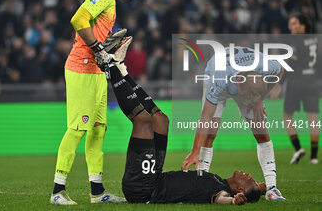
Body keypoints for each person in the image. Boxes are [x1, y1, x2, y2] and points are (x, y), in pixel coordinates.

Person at [94, 40, 266, 205]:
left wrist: (233, 201)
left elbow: (221, 199)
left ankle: (109, 65)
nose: (250, 174)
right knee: (161, 120)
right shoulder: (220, 181)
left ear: (241, 189)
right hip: (156, 177)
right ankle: (122, 70)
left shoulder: (221, 191)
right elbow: (257, 189)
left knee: (143, 122)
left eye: (250, 180)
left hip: (143, 190)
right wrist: (265, 188)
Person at [50, 0, 150, 205]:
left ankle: (97, 192)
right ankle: (57, 191)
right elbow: (78, 19)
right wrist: (97, 47)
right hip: (81, 68)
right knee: (77, 128)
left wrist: (108, 48)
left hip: (95, 70)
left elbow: (93, 31)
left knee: (97, 129)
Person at [181, 46, 286, 201]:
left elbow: (281, 70)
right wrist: (195, 150)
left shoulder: (266, 66)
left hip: (245, 79)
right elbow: (205, 117)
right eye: (247, 98)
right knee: (210, 134)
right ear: (238, 82)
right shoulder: (219, 79)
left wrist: (260, 99)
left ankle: (272, 189)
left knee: (261, 132)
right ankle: (200, 184)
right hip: (218, 77)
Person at [271, 14, 319, 165]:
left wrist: (279, 85)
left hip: (297, 82)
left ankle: (298, 148)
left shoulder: (295, 41)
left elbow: (289, 65)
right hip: (313, 81)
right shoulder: (316, 40)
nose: (291, 27)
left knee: (287, 116)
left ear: (303, 27)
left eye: (294, 24)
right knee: (313, 119)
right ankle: (314, 157)